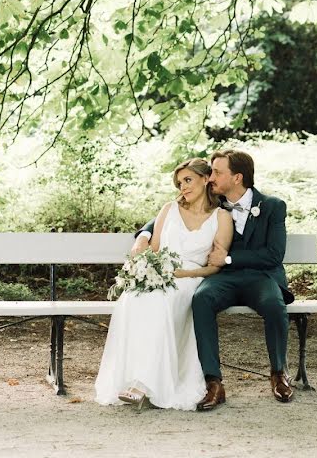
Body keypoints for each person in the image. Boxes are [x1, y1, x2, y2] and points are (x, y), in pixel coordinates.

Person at [133, 149, 295, 410]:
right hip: (223, 279)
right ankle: (213, 383)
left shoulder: (272, 206)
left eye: (218, 172)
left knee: (274, 304)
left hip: (261, 277)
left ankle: (279, 373)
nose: (210, 178)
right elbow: (170, 213)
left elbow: (274, 255)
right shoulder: (215, 204)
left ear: (237, 178)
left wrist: (229, 259)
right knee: (202, 299)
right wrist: (143, 234)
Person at [95, 158, 233, 410]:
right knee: (135, 299)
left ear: (206, 179)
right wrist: (148, 268)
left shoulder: (221, 217)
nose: (183, 187)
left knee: (161, 303)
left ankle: (143, 385)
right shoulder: (169, 209)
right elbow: (155, 250)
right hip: (162, 275)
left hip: (193, 278)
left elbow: (216, 264)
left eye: (188, 180)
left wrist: (187, 274)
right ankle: (132, 379)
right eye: (180, 183)